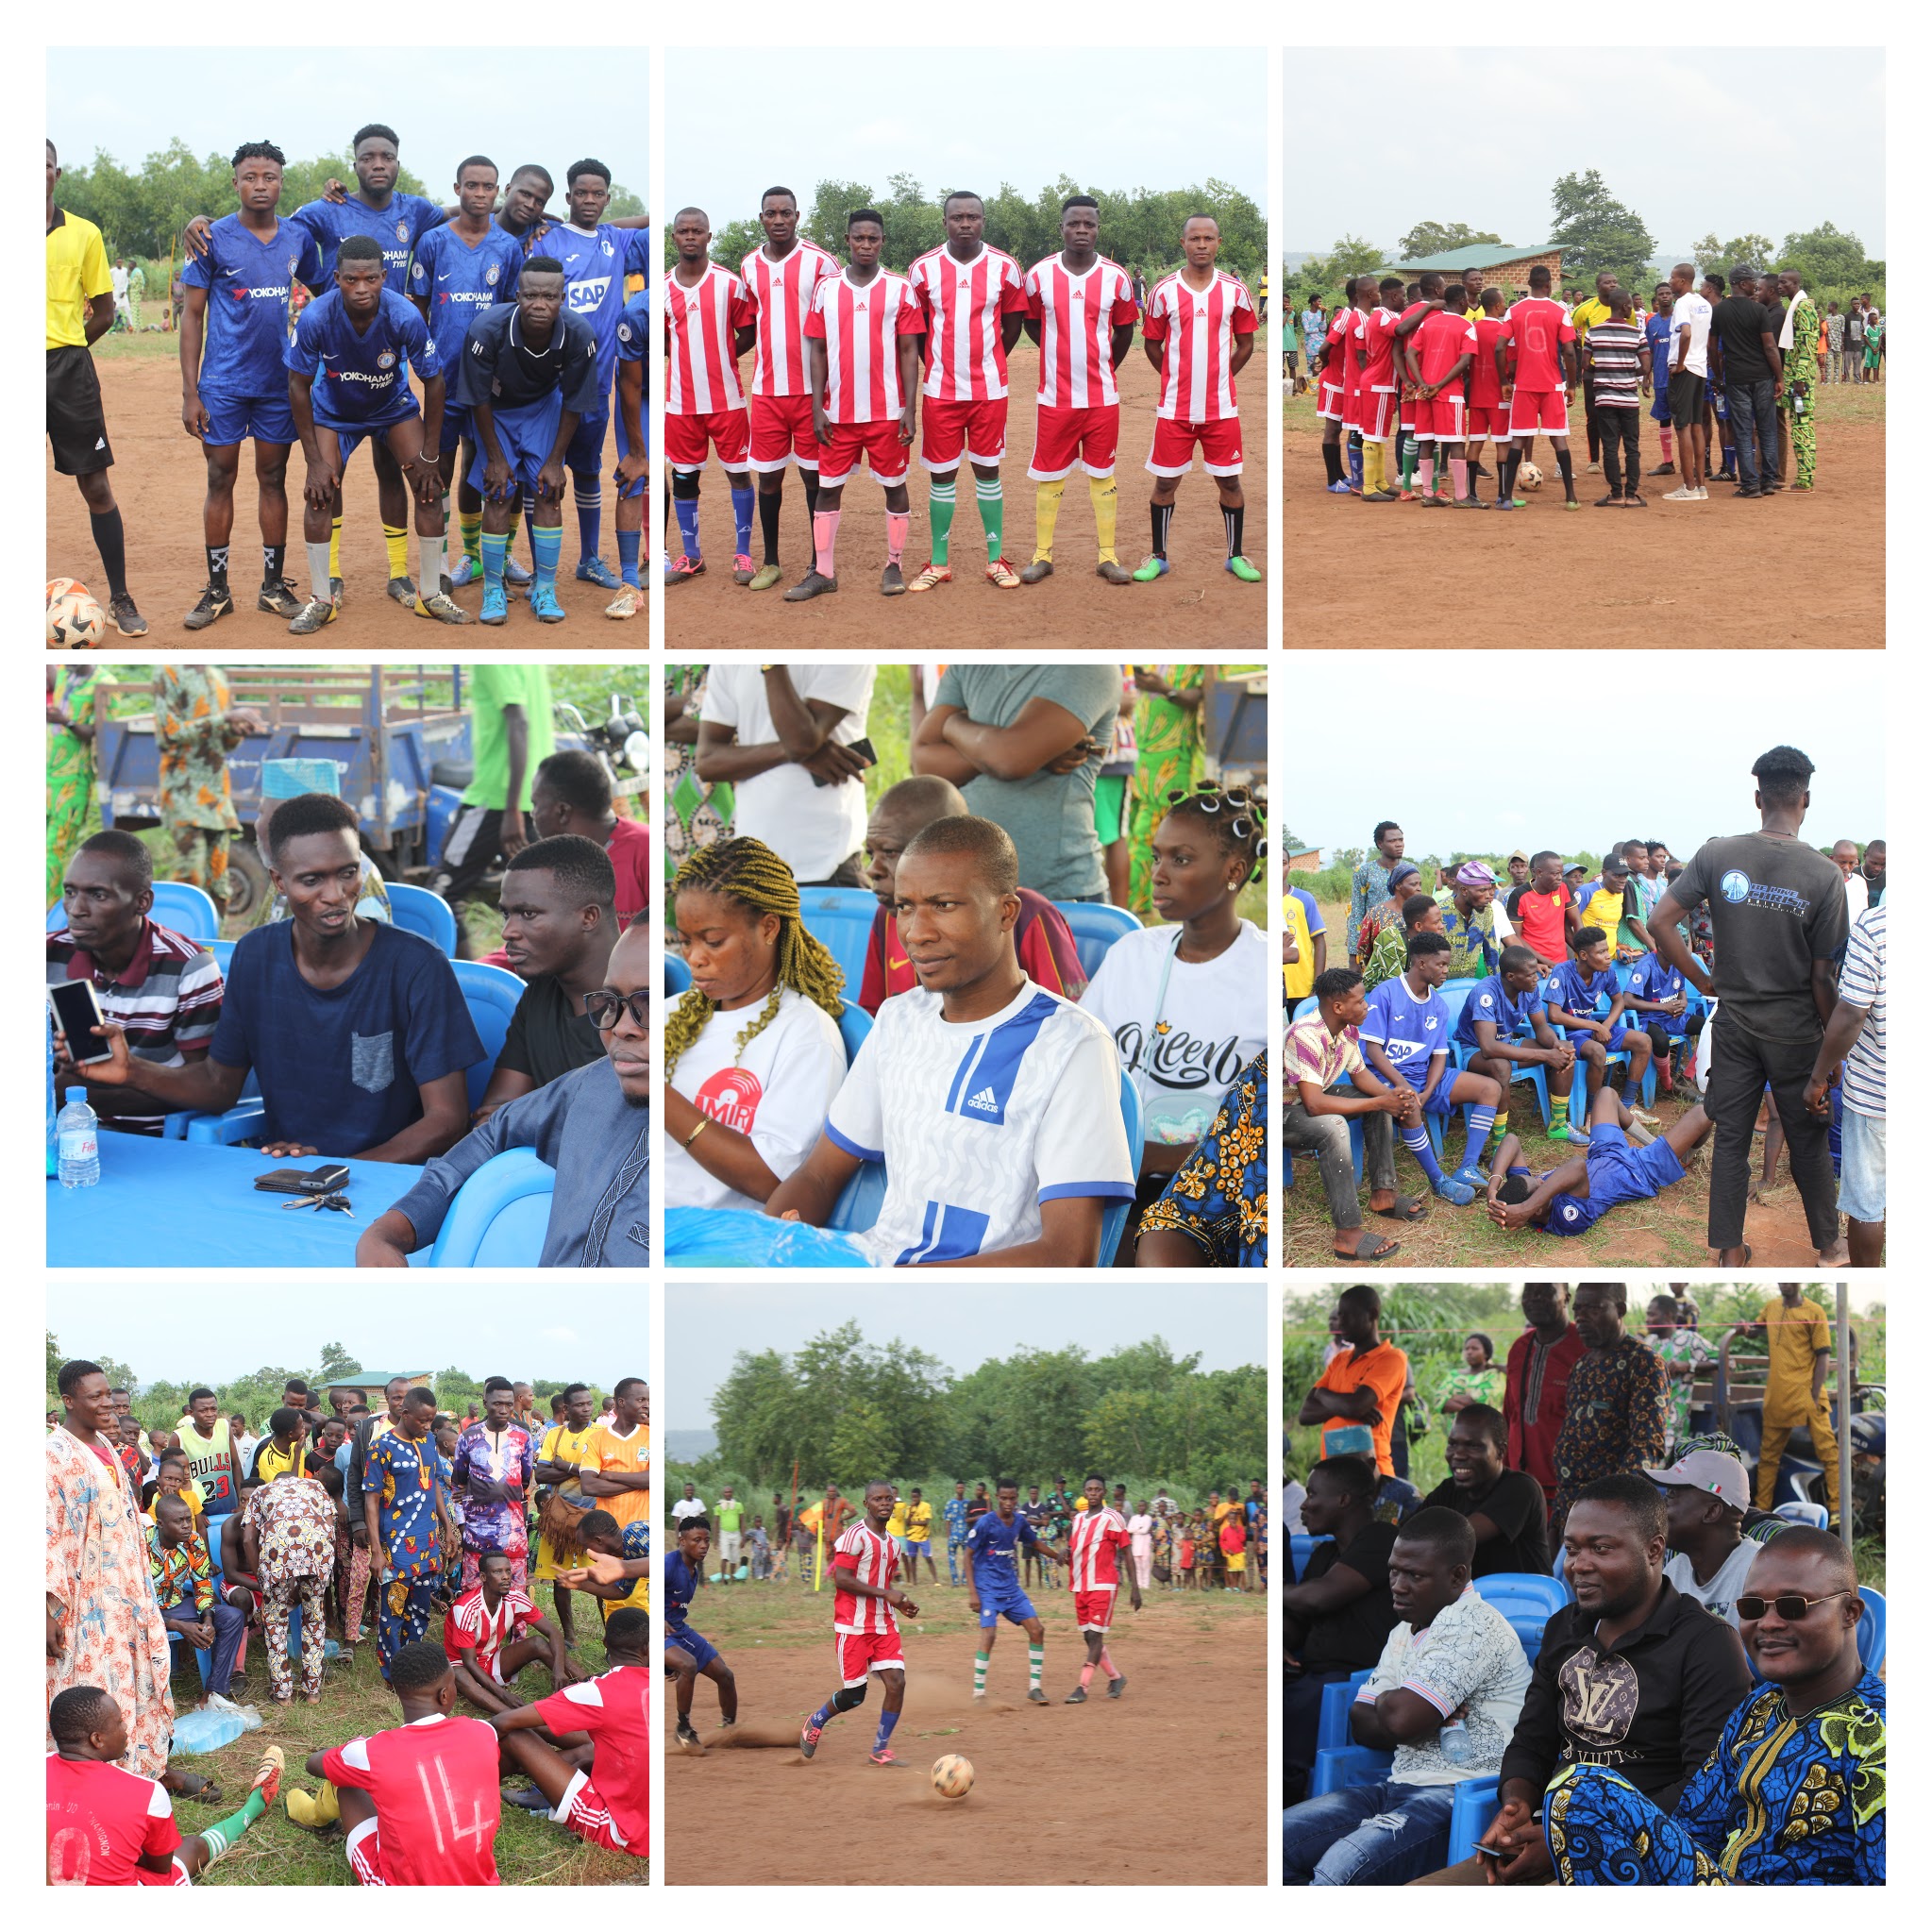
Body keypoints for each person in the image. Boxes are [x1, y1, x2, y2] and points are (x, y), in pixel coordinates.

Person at [768, 815, 1134, 1266]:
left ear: (1006, 913)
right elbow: (821, 1175)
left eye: (943, 905)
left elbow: (1068, 1254)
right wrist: (768, 1251)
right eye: (904, 906)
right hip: (872, 1272)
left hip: (973, 1308)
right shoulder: (898, 1019)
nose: (916, 932)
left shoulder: (1071, 1045)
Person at [82, 792, 482, 1160]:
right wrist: (133, 1071)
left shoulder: (416, 966)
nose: (335, 894)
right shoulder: (256, 956)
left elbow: (446, 1121)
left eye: (347, 873)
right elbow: (219, 1084)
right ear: (279, 882)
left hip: (388, 1182)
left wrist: (335, 1171)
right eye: (312, 880)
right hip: (288, 1177)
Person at [1420, 1474, 1753, 1888]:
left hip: (1644, 1855)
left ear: (1654, 1551)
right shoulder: (1565, 1627)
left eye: (1602, 1548)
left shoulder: (1707, 1644)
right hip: (1545, 1836)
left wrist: (1575, 1838)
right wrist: (1517, 1805)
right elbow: (1531, 1741)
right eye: (1573, 1548)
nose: (1579, 1564)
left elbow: (1704, 1788)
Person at [1543, 1527, 1881, 1883]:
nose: (1768, 1623)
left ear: (1850, 1612)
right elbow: (1695, 1823)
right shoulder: (1759, 1707)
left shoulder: (1878, 1737)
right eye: (1752, 1607)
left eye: (1793, 1606)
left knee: (1583, 1792)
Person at [1649, 747, 1849, 1265]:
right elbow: (1823, 976)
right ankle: (1829, 1248)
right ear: (1805, 800)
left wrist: (1704, 981)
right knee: (1806, 1138)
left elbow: (1659, 922)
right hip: (1797, 1033)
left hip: (1733, 1024)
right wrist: (1833, 1050)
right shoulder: (1826, 876)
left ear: (1758, 798)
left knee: (1732, 1139)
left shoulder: (1718, 854)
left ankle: (1730, 1252)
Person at [357, 920, 652, 1265]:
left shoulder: (704, 1153)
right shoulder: (594, 1087)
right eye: (611, 1002)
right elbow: (494, 1133)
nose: (621, 1028)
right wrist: (389, 1232)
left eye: (647, 1004)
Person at [1283, 1508, 1531, 1885]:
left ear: (1457, 1576)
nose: (1398, 1585)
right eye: (1394, 1571)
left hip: (1457, 1793)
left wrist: (1392, 1704)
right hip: (1397, 1785)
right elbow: (1362, 1724)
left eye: (1414, 1575)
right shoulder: (1404, 1629)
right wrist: (1403, 1706)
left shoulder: (1472, 1624)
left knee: (1336, 1875)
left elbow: (1399, 1720)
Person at [1081, 782, 1268, 1237]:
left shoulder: (1262, 973)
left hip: (1207, 1193)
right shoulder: (1132, 954)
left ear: (1233, 870)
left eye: (1180, 860)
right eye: (1156, 856)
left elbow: (1263, 1130)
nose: (1158, 874)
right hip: (1104, 1175)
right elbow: (1076, 1063)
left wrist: (1153, 1159)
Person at [281, 233, 470, 631]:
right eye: (351, 280)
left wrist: (431, 455)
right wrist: (314, 460)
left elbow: (434, 383)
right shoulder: (317, 317)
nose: (361, 288)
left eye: (370, 279)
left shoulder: (403, 316)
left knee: (429, 487)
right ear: (337, 278)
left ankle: (430, 594)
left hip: (391, 408)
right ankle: (321, 599)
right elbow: (297, 385)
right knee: (319, 492)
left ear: (385, 276)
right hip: (334, 411)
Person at [177, 140, 322, 630]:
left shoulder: (299, 238)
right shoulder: (211, 238)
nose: (260, 185)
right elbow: (192, 315)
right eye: (250, 177)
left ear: (282, 182)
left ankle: (272, 586)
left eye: (270, 177)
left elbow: (324, 295)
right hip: (222, 383)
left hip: (278, 384)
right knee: (220, 477)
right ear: (235, 182)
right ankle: (217, 592)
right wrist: (190, 391)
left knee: (273, 477)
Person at [664, 836, 848, 1211]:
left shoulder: (805, 1035)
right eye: (685, 941)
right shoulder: (668, 1015)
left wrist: (660, 1098)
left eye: (713, 941)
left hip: (712, 1238)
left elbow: (772, 1179)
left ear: (768, 928)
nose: (694, 958)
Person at [783, 208, 922, 599]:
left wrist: (910, 409)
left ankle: (894, 565)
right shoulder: (827, 288)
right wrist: (816, 406)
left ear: (882, 241)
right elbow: (818, 351)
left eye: (873, 239)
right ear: (848, 240)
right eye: (858, 238)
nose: (866, 245)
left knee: (894, 487)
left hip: (887, 413)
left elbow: (910, 351)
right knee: (828, 489)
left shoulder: (899, 288)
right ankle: (823, 571)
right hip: (838, 413)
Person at [48, 831, 226, 1135]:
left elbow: (206, 1087)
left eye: (98, 894)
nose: (76, 909)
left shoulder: (190, 969)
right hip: (62, 1133)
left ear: (142, 902)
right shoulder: (47, 956)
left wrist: (79, 1094)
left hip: (157, 1142)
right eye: (70, 892)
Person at [46, 1363, 175, 1783]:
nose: (108, 1405)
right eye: (95, 1398)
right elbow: (43, 1534)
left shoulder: (106, 1445)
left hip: (126, 1590)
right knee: (90, 1681)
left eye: (110, 1396)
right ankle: (89, 1780)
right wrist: (44, 1609)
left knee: (131, 1674)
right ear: (68, 1401)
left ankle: (138, 1766)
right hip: (85, 1601)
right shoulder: (51, 1457)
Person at [403, 155, 525, 593]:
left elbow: (515, 311)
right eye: (471, 186)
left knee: (494, 467)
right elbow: (416, 308)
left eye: (488, 187)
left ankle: (493, 555)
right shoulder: (433, 241)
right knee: (440, 466)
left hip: (490, 383)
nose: (479, 194)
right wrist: (421, 365)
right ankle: (442, 561)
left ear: (498, 193)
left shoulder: (508, 248)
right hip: (444, 381)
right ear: (457, 189)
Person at [859, 776, 1084, 1011]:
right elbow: (872, 1011)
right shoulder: (888, 916)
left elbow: (1062, 1014)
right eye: (870, 854)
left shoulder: (1030, 914)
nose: (872, 869)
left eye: (890, 851)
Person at [287, 1638, 504, 1883]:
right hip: (481, 1881)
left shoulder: (372, 1752)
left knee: (346, 1781)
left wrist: (352, 1749)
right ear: (445, 1695)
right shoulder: (484, 1733)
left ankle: (314, 1816)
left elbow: (313, 1764)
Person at [902, 192, 1028, 591]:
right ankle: (938, 562)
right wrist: (942, 363)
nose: (965, 223)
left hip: (989, 389)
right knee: (942, 474)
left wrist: (986, 361)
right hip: (940, 389)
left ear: (983, 221)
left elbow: (1012, 326)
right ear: (945, 223)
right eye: (957, 217)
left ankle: (996, 559)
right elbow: (916, 328)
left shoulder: (1005, 268)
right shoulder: (922, 270)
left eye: (973, 216)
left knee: (987, 470)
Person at [911, 662, 1120, 900]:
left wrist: (952, 724)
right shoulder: (969, 664)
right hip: (970, 894)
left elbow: (1011, 760)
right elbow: (925, 762)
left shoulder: (1086, 666)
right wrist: (1013, 750)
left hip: (1058, 894)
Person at [46, 140, 145, 635]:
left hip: (68, 371)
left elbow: (105, 312)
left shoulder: (84, 233)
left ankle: (121, 598)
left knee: (96, 485)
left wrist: (64, 345)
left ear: (56, 173)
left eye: (41, 166)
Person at [1017, 195, 1140, 582]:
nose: (1082, 230)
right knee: (1050, 475)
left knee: (1102, 474)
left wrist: (1101, 365)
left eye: (1090, 224)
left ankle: (1107, 556)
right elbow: (1032, 324)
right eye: (1075, 224)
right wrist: (1059, 355)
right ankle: (1042, 556)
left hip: (1102, 398)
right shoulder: (1038, 275)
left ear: (1098, 228)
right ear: (1062, 228)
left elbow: (1124, 332)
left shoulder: (1116, 277)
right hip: (1055, 398)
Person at [46, 1688, 281, 1885]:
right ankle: (253, 1807)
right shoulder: (146, 1791)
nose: (126, 1728)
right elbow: (161, 1866)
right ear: (97, 1739)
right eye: (119, 1722)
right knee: (191, 1847)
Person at [1135, 216, 1260, 580]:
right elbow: (1151, 343)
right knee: (1164, 483)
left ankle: (1235, 555)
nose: (1201, 244)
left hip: (1221, 408)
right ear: (1183, 243)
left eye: (1208, 238)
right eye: (1194, 238)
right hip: (1175, 409)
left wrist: (1220, 377)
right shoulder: (1163, 291)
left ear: (1219, 242)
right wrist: (1176, 377)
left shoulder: (1235, 290)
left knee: (1230, 481)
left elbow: (1247, 343)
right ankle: (1158, 556)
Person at [486, 1604, 651, 1860]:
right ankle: (541, 1786)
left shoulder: (598, 1691)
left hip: (623, 1830)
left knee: (518, 1735)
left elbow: (504, 1722)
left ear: (605, 1642)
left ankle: (472, 1790)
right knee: (594, 1746)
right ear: (648, 1648)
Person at [471, 837, 617, 1122]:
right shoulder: (538, 995)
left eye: (528, 914)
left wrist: (525, 1120)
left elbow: (616, 1133)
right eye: (506, 914)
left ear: (588, 917)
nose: (508, 932)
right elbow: (492, 1118)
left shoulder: (642, 1008)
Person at [1281, 1454, 1398, 1806]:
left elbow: (1318, 1598)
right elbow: (1297, 1624)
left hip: (1355, 1679)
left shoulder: (1382, 1538)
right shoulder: (1325, 1554)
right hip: (1314, 1674)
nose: (1304, 1504)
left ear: (1343, 1499)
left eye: (1313, 1494)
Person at [695, 663, 876, 887]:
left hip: (827, 859)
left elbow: (800, 740)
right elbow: (707, 761)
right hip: (756, 862)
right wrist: (794, 751)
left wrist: (772, 663)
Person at [1285, 966, 1422, 1259]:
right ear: (1338, 1006)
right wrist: (1379, 1102)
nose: (1366, 1006)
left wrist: (1390, 1096)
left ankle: (1384, 1194)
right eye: (1360, 1001)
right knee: (1335, 1125)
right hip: (1280, 1112)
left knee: (1377, 1100)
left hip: (1312, 1097)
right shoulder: (1305, 1035)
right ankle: (1346, 1233)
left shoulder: (1347, 1029)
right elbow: (1314, 1105)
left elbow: (1360, 1076)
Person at [1360, 931, 1504, 1203]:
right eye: (1441, 964)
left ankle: (1468, 1167)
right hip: (1385, 1076)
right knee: (1409, 1103)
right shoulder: (1386, 993)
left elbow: (1439, 1055)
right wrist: (1403, 1084)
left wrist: (1428, 1089)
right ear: (1421, 963)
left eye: (1447, 965)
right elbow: (1373, 1051)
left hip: (1424, 1076)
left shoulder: (1437, 1004)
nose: (1446, 971)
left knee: (1490, 1088)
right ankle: (1438, 1180)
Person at [661, 207, 754, 584]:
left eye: (697, 231)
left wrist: (723, 357)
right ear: (674, 238)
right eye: (683, 231)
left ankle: (744, 554)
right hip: (680, 403)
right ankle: (692, 556)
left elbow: (747, 331)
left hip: (727, 400)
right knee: (684, 479)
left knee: (739, 475)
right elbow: (665, 342)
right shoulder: (663, 288)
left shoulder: (729, 285)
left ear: (708, 236)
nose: (690, 237)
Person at [798, 1480, 918, 1765]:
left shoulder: (893, 1544)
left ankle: (880, 1749)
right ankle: (816, 1720)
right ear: (866, 1504)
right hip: (853, 1626)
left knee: (897, 1682)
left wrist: (900, 1604)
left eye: (889, 1498)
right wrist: (886, 1593)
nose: (884, 1503)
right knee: (854, 1696)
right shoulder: (854, 1537)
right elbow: (842, 1579)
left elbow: (883, 1583)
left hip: (883, 1625)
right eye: (877, 1499)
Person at [1546, 1282, 1671, 1540]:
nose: (1581, 1317)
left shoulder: (1643, 1362)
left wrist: (1613, 1509)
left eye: (1594, 1308)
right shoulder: (1582, 1365)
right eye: (1578, 1309)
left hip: (1607, 1519)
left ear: (1620, 1309)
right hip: (1568, 1506)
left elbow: (1647, 1446)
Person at [152, 664, 265, 912]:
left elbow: (223, 744)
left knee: (219, 886)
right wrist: (224, 719)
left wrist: (235, 731)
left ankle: (213, 944)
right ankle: (178, 942)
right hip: (181, 789)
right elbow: (169, 734)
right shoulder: (169, 673)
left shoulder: (219, 677)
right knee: (189, 876)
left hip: (216, 795)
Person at [1808, 900, 1885, 1265]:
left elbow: (1853, 1011)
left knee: (1867, 1203)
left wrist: (1819, 1075)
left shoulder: (1876, 925)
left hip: (1878, 1090)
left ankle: (1863, 1276)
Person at [361, 1387, 454, 1678]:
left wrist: (447, 1526)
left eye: (431, 1421)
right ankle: (392, 1673)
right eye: (422, 1421)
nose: (427, 1427)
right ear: (405, 1414)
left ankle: (413, 1666)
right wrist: (376, 1551)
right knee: (393, 1612)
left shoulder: (428, 1441)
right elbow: (371, 1500)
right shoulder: (381, 1447)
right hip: (395, 1547)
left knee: (421, 1609)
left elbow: (434, 1484)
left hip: (427, 1542)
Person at [1452, 943, 1584, 1145]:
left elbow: (1540, 1028)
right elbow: (1488, 1048)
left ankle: (1558, 1125)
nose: (1536, 978)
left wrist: (1556, 1046)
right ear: (1511, 977)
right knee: (1501, 1065)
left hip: (1507, 1044)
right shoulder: (1485, 992)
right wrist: (1546, 1056)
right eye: (1530, 974)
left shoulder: (1529, 990)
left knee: (1565, 1049)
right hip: (1473, 1050)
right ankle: (1499, 1141)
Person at [1739, 1282, 1842, 1521]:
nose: (1784, 1283)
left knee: (1828, 1451)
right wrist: (1745, 1329)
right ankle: (1761, 1512)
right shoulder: (1771, 1307)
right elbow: (1755, 1330)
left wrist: (1815, 1396)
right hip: (1778, 1395)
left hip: (1808, 1393)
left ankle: (1836, 1509)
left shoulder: (1815, 1311)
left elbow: (1823, 1355)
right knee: (1768, 1458)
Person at [1539, 925, 1661, 1125]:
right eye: (1602, 952)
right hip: (1571, 1034)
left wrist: (1606, 1024)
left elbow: (1619, 1001)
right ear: (1584, 955)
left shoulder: (1605, 971)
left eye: (1607, 950)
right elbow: (1554, 1015)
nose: (1608, 956)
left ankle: (1629, 1105)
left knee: (1643, 1041)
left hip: (1594, 1027)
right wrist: (1596, 1027)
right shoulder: (1563, 971)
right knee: (1597, 1052)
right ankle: (1593, 1113)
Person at [243, 1457, 340, 1703]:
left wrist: (261, 1576)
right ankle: (312, 1692)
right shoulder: (316, 1486)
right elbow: (330, 1529)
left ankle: (282, 1694)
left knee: (275, 1619)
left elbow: (247, 1539)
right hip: (317, 1552)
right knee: (314, 1617)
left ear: (275, 1484)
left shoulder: (260, 1491)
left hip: (277, 1555)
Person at [1416, 1403, 1551, 1576]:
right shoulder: (1449, 1489)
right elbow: (1408, 1533)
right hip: (1474, 1600)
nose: (1458, 1454)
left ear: (1500, 1452)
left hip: (1522, 1600)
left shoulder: (1522, 1488)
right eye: (1452, 1444)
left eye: (1474, 1446)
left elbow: (1460, 1538)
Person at [529, 750, 649, 932]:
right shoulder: (551, 865)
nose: (533, 814)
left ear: (562, 811)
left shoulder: (646, 849)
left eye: (535, 805)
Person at [964, 1477, 1060, 1704]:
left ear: (1017, 1498)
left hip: (1011, 1589)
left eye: (1012, 1498)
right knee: (990, 1634)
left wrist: (1058, 1556)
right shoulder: (986, 1523)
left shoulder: (1019, 1522)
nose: (1008, 1502)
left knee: (1037, 1630)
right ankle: (978, 1693)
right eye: (1004, 1498)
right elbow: (967, 1556)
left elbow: (1035, 1543)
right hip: (987, 1589)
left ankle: (1034, 1688)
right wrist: (973, 1593)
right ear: (997, 1498)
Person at [1299, 1284, 1409, 1477]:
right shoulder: (1339, 1360)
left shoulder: (1392, 1358)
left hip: (1372, 1474)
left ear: (1372, 1314)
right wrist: (1349, 1407)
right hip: (1333, 1475)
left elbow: (1356, 1406)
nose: (1340, 1323)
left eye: (1347, 1315)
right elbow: (1306, 1415)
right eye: (1339, 1315)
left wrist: (1323, 1394)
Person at [1496, 264, 1580, 511]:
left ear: (1529, 283)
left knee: (1518, 440)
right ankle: (1571, 498)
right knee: (1559, 439)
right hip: (1552, 384)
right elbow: (1569, 352)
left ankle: (1507, 498)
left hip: (1524, 385)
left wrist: (1504, 381)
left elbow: (1500, 348)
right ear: (1549, 284)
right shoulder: (1560, 310)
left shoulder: (1515, 310)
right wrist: (1571, 386)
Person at [1649, 1449, 1764, 1627]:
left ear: (1711, 1512)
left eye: (1671, 1496)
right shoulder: (1675, 1571)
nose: (1660, 1508)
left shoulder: (1759, 1571)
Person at [1126, 666, 1206, 913]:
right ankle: (1131, 903)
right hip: (1140, 756)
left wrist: (1164, 689)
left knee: (1148, 838)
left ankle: (1135, 909)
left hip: (1169, 765)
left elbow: (1205, 695)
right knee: (1130, 834)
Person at [451, 1379, 534, 1592]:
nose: (504, 1410)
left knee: (514, 1593)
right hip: (477, 1533)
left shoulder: (523, 1437)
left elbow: (524, 1480)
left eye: (508, 1404)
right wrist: (463, 1526)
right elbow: (458, 1484)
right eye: (497, 1404)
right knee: (475, 1591)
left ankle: (511, 1627)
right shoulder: (468, 1438)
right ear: (485, 1402)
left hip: (513, 1532)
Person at [1063, 1473, 1140, 1700]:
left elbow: (1126, 1551)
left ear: (1103, 1493)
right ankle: (1116, 1678)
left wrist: (1135, 1588)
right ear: (1084, 1493)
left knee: (1095, 1637)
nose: (1093, 1493)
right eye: (1090, 1490)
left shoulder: (1112, 1517)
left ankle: (1082, 1687)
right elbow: (1074, 1548)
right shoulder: (1077, 1519)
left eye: (1098, 1489)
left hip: (1103, 1584)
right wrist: (1064, 1552)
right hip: (1080, 1584)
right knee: (1089, 1637)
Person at [1708, 266, 1783, 500]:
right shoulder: (1759, 310)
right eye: (1751, 281)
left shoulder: (1719, 311)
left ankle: (1750, 484)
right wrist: (1778, 377)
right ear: (1741, 283)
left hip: (1736, 378)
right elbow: (1770, 347)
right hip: (1762, 377)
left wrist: (1719, 376)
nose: (1754, 285)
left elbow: (1712, 348)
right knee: (1766, 428)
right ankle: (1768, 480)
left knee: (1742, 430)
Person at [1359, 890, 1442, 993]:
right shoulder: (1390, 937)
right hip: (1376, 993)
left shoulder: (1429, 941)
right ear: (1418, 926)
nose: (1441, 926)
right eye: (1436, 922)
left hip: (1409, 990)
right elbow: (1396, 984)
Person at [1347, 822, 1404, 964]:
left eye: (1401, 840)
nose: (1399, 844)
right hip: (1374, 944)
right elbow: (1357, 912)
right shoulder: (1364, 872)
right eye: (1392, 841)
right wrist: (1353, 955)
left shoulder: (1409, 869)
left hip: (1405, 941)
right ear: (1380, 844)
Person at [1436, 1334, 1504, 1414]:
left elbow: (1485, 1403)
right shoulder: (1454, 1374)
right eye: (1467, 1349)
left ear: (1486, 1353)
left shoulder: (1493, 1375)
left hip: (1484, 1425)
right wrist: (1469, 1409)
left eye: (1475, 1349)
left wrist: (1453, 1399)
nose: (1469, 1352)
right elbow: (1439, 1401)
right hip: (1454, 1426)